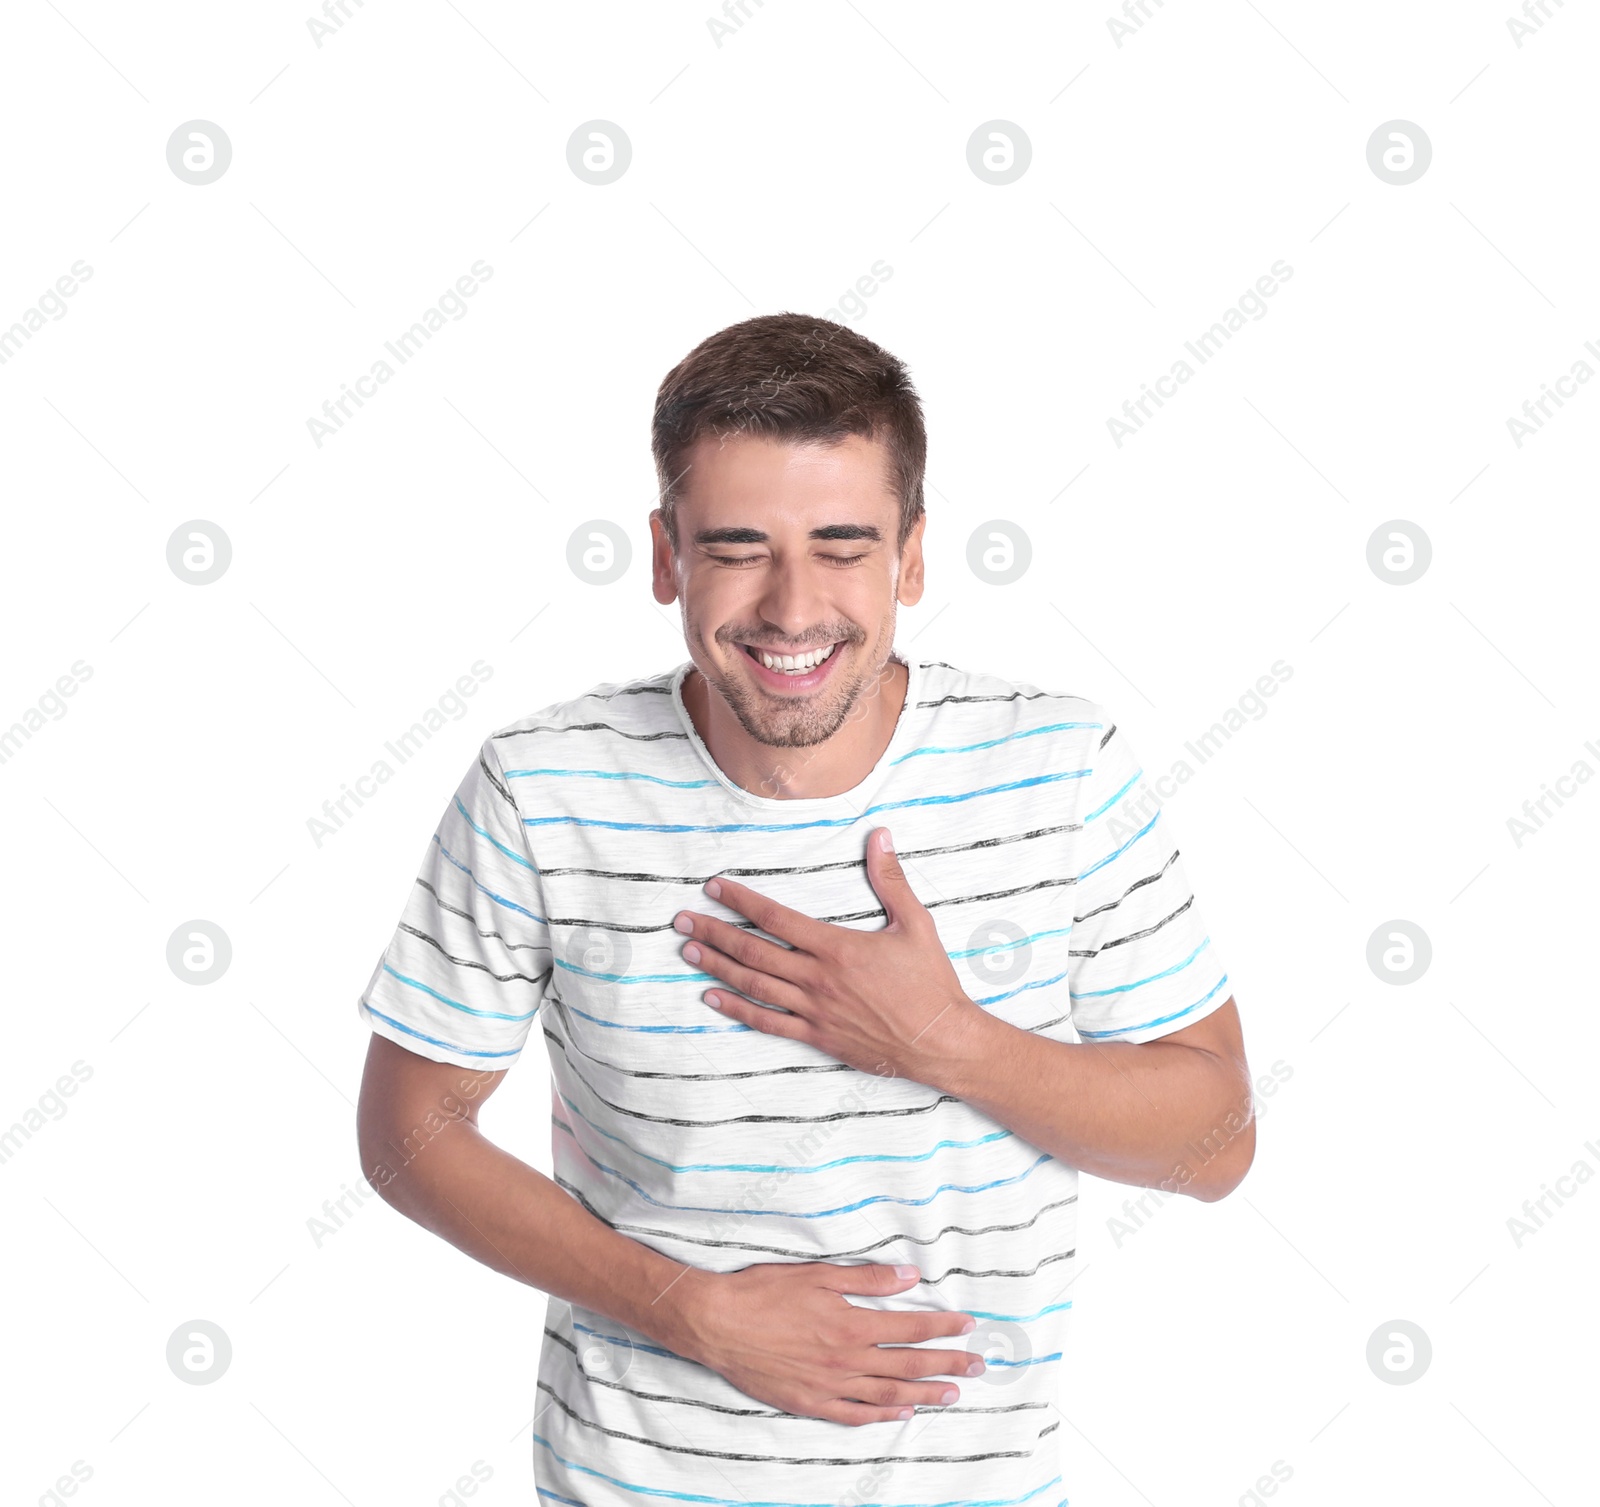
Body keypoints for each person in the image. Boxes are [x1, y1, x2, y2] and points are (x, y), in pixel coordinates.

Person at [355, 312, 1253, 1506]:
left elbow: (1215, 1142)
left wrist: (939, 1040)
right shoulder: (542, 784)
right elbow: (408, 1135)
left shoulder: (1058, 768)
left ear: (912, 557)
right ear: (667, 554)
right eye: (738, 547)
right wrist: (687, 1310)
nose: (791, 608)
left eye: (842, 546)